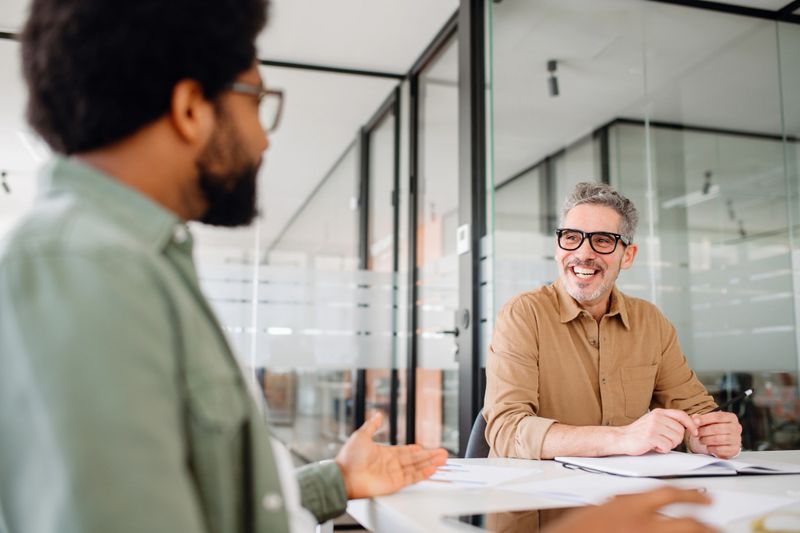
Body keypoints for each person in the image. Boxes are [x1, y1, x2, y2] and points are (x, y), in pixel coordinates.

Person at [0, 1, 714, 532]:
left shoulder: (131, 261)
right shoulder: (86, 274)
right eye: (258, 102)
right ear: (191, 108)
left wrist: (329, 483)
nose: (262, 141)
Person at [484, 182, 742, 461]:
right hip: (538, 495)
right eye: (571, 237)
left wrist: (707, 436)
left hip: (625, 496)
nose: (583, 253)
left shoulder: (651, 322)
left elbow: (695, 410)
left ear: (627, 256)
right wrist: (621, 438)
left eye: (603, 240)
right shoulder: (523, 314)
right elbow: (506, 430)